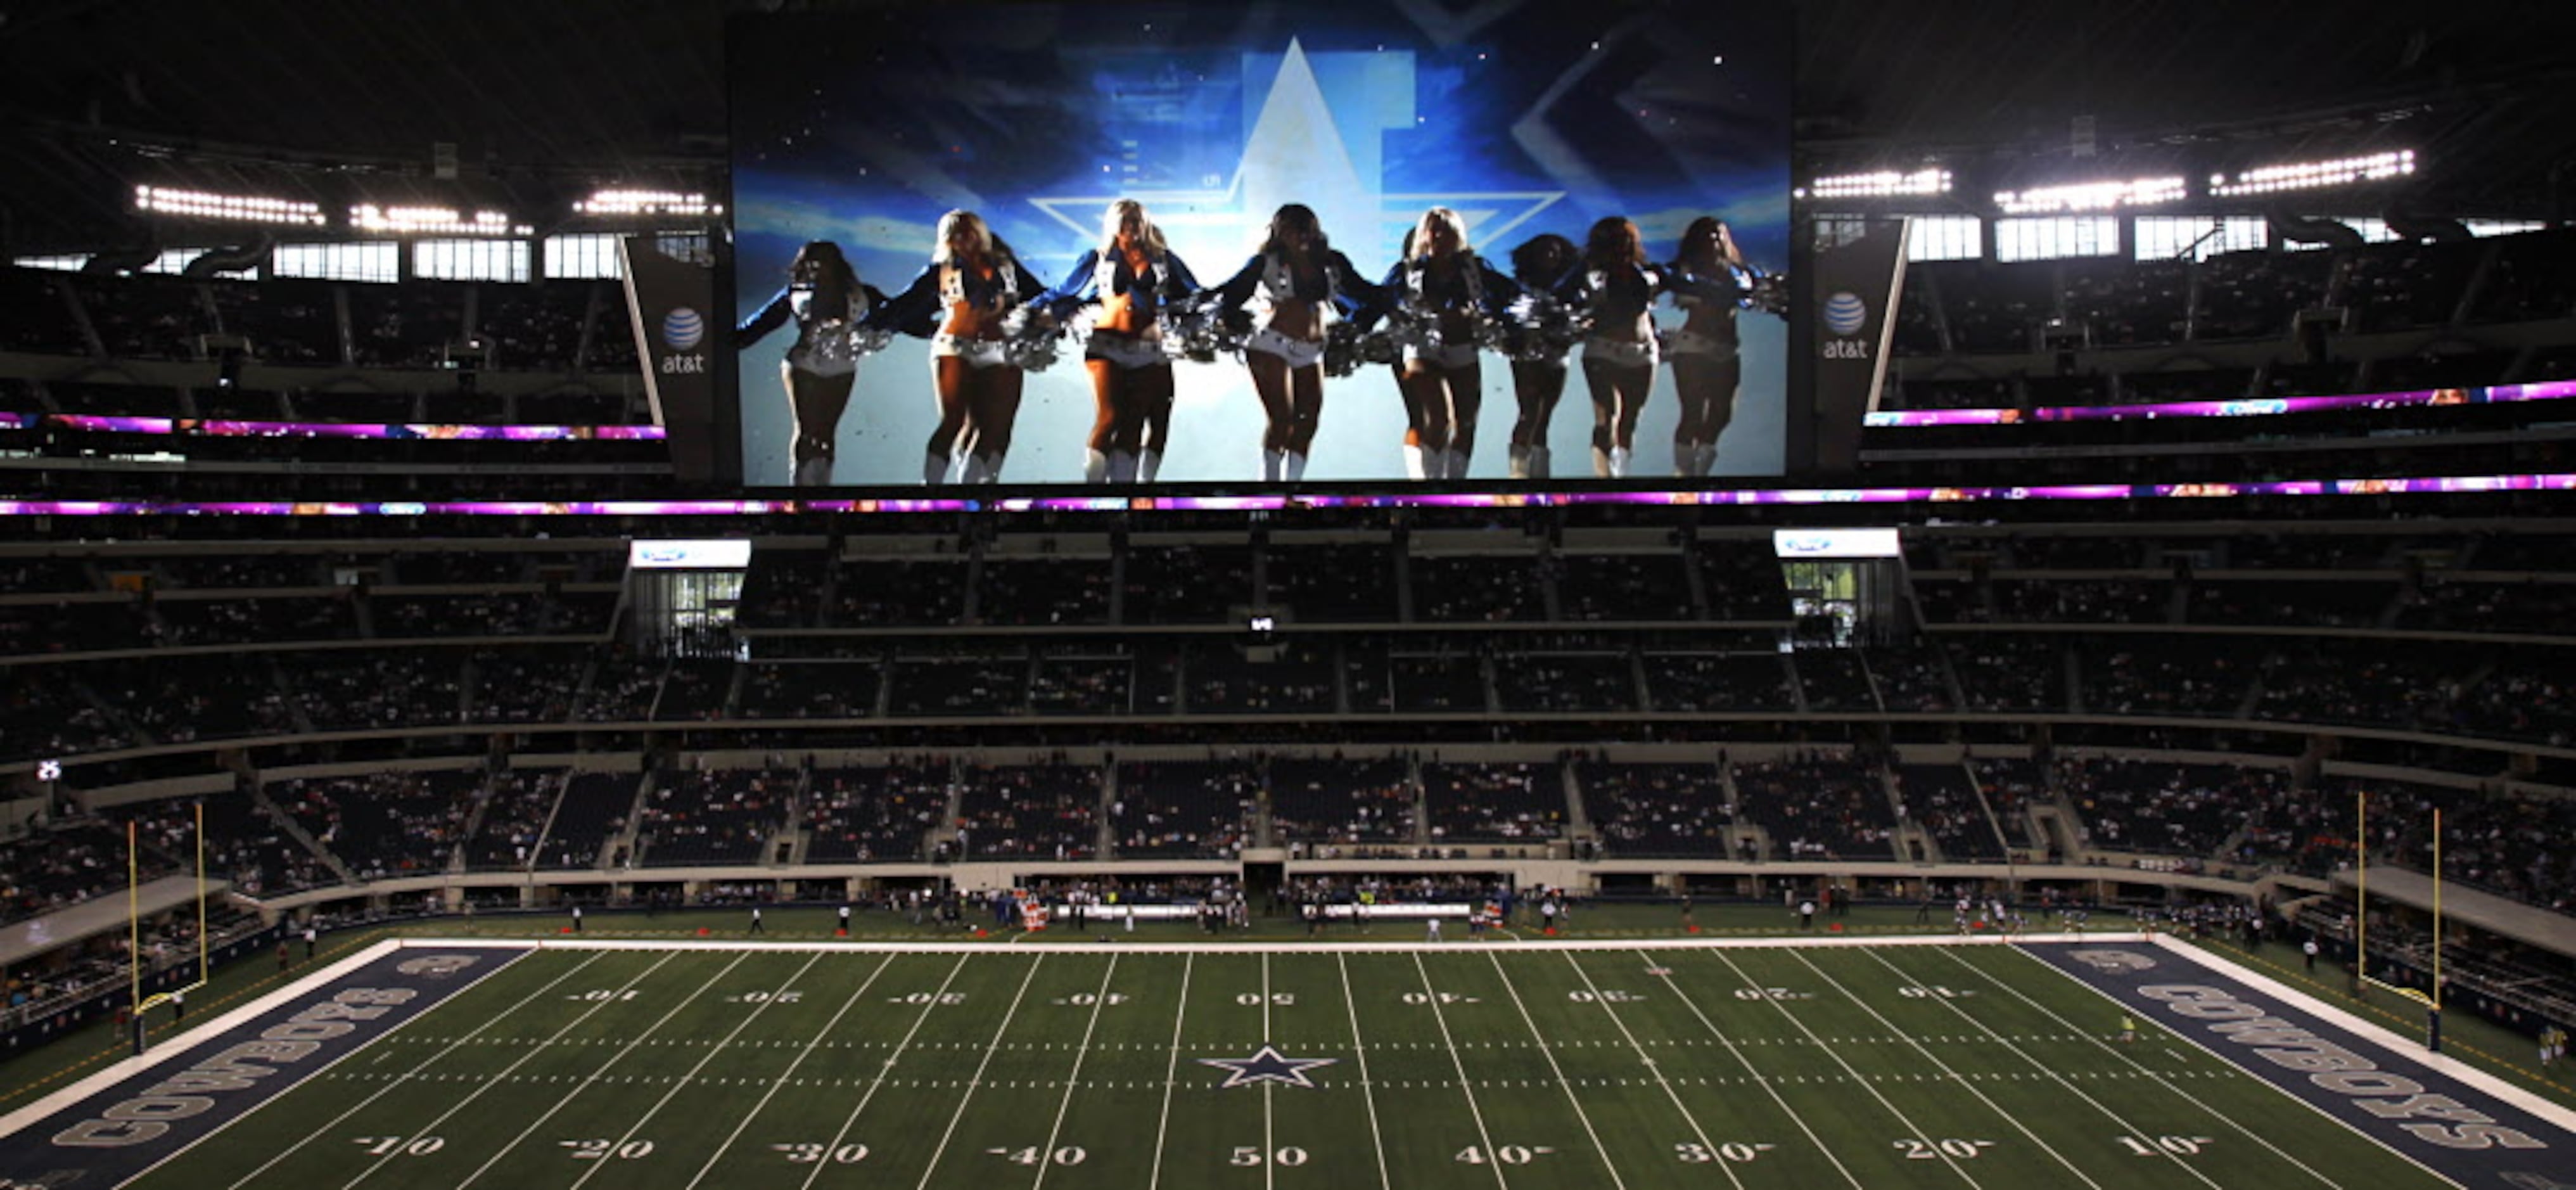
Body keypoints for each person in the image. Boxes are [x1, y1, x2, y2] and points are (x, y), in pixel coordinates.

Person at [864, 210, 1052, 484]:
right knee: (953, 421)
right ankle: (933, 492)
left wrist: (1056, 316)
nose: (965, 238)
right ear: (947, 239)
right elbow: (905, 304)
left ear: (982, 233)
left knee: (995, 426)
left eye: (970, 230)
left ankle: (975, 491)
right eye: (957, 233)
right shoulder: (940, 270)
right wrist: (870, 325)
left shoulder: (1007, 267)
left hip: (1000, 349)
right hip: (954, 347)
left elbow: (1040, 296)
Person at [1204, 203, 1384, 482]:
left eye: (1305, 228)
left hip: (1313, 351)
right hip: (1271, 344)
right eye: (1291, 228)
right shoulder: (1265, 261)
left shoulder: (1332, 262)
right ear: (1279, 231)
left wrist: (1389, 300)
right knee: (1281, 419)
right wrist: (1201, 305)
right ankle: (1270, 489)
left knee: (1307, 422)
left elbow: (1364, 292)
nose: (1299, 235)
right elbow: (1232, 291)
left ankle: (1292, 491)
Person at [1040, 199, 1201, 483]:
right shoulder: (1097, 257)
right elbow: (1064, 291)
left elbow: (1194, 292)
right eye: (1125, 220)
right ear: (1114, 224)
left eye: (1137, 220)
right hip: (1106, 346)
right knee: (1109, 416)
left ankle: (1124, 495)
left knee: (1133, 424)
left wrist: (1218, 312)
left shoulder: (1164, 258)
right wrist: (1029, 312)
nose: (1132, 226)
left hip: (1149, 350)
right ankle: (1093, 493)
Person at [1375, 207, 1519, 479]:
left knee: (1465, 423)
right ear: (1424, 235)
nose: (1441, 236)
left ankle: (1454, 487)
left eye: (1447, 230)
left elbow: (1509, 297)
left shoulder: (1475, 270)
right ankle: (1429, 488)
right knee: (1437, 418)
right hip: (1422, 349)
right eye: (1435, 230)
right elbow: (1378, 301)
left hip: (1463, 349)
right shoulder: (1408, 271)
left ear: (1459, 235)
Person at [734, 240, 884, 485]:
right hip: (805, 362)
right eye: (813, 261)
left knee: (826, 431)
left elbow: (895, 314)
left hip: (842, 365)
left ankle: (821, 489)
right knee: (806, 429)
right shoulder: (797, 292)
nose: (818, 266)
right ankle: (801, 490)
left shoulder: (860, 293)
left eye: (824, 260)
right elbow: (761, 323)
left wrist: (928, 327)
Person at [1554, 217, 1664, 477]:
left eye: (1627, 237)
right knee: (1607, 418)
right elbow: (1561, 295)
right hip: (1603, 350)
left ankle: (1621, 477)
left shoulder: (1646, 272)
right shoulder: (1589, 271)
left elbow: (1683, 281)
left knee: (1630, 420)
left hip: (1643, 351)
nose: (1622, 243)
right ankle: (1604, 479)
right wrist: (1578, 316)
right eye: (1615, 238)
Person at [1662, 217, 1762, 477]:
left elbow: (1758, 286)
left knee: (1722, 414)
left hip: (1727, 349)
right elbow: (1672, 280)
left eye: (1718, 235)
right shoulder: (1684, 269)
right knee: (1693, 413)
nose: (1714, 240)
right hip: (1694, 346)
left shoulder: (1737, 270)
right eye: (1707, 235)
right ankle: (1683, 477)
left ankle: (1699, 472)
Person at [1502, 233, 1579, 478]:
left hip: (1558, 354)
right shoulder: (1519, 287)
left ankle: (1540, 477)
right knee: (1529, 412)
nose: (1551, 257)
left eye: (1556, 252)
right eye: (1545, 252)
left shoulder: (1569, 288)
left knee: (1544, 416)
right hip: (1528, 354)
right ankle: (1518, 476)